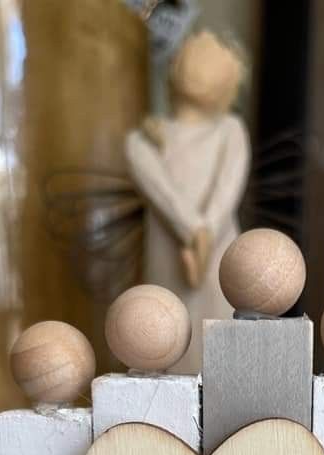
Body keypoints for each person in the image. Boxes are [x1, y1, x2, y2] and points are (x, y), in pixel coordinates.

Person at [125, 30, 250, 374]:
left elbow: (228, 186)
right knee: (165, 331)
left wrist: (207, 228)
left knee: (218, 333)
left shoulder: (230, 130)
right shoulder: (144, 140)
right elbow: (159, 189)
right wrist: (192, 228)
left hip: (218, 252)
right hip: (171, 253)